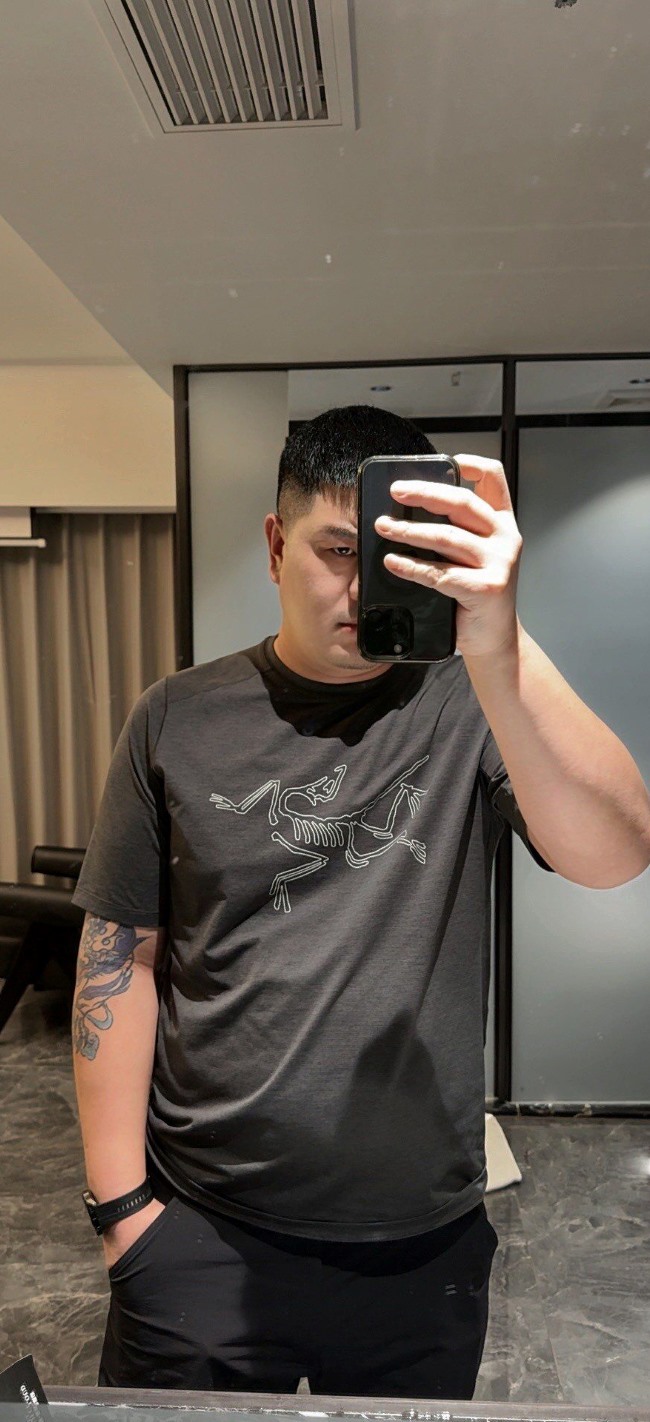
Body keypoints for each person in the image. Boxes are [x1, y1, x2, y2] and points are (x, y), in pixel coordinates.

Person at [71, 405, 650, 1401]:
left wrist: (499, 641)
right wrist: (124, 1214)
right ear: (274, 544)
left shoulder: (474, 698)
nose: (361, 588)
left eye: (393, 559)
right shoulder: (176, 717)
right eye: (338, 551)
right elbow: (123, 953)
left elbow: (617, 854)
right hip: (203, 1229)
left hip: (419, 1245)